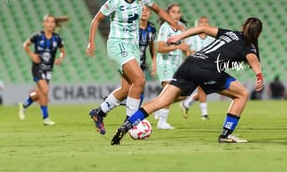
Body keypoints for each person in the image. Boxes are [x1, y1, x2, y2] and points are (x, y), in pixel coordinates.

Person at [111, 17, 264, 145]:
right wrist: (259, 75)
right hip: (208, 70)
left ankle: (127, 125)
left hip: (190, 63)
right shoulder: (248, 46)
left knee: (161, 101)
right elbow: (253, 59)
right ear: (259, 33)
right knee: (242, 94)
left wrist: (179, 37)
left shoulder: (230, 34)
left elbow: (202, 28)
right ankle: (225, 135)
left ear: (242, 26)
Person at [86, 0, 180, 135]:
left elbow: (158, 9)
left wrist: (174, 24)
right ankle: (130, 123)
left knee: (127, 88)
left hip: (133, 47)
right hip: (118, 44)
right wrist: (91, 43)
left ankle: (98, 113)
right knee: (139, 80)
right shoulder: (114, 1)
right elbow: (96, 20)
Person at [18, 14, 68, 126]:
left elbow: (63, 51)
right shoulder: (37, 36)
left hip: (49, 70)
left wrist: (60, 58)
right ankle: (45, 118)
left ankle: (24, 105)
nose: (51, 24)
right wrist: (32, 55)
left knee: (40, 93)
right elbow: (25, 45)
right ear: (44, 23)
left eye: (52, 22)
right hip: (37, 68)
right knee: (45, 91)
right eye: (48, 22)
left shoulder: (57, 38)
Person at [154, 3, 190, 129]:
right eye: (173, 12)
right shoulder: (165, 27)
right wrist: (178, 46)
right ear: (168, 14)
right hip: (165, 63)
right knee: (170, 91)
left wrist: (191, 55)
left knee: (184, 95)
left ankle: (157, 105)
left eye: (178, 12)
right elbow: (160, 48)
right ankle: (162, 122)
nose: (176, 14)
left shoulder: (182, 27)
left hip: (177, 65)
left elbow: (185, 47)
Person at [180, 16, 214, 120]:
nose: (204, 24)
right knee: (202, 87)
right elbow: (184, 48)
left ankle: (186, 104)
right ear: (197, 24)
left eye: (206, 22)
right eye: (201, 22)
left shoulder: (211, 38)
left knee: (205, 88)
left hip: (208, 66)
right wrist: (189, 54)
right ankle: (204, 114)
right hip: (195, 65)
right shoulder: (193, 37)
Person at [139, 6, 157, 80]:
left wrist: (154, 61)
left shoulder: (152, 27)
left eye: (147, 10)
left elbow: (152, 45)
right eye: (142, 10)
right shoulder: (132, 27)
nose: (144, 12)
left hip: (142, 62)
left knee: (140, 86)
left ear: (151, 13)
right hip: (131, 61)